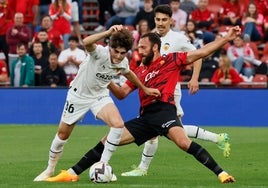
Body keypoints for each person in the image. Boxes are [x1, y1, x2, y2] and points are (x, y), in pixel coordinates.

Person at [45, 26, 241, 184]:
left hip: (164, 111)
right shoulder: (138, 71)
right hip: (145, 117)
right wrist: (102, 76)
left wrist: (226, 38)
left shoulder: (172, 59)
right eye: (138, 47)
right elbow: (121, 94)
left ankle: (221, 173)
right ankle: (71, 173)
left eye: (143, 47)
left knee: (183, 142)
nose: (138, 50)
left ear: (155, 48)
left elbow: (202, 52)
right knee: (108, 141)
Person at [33, 24, 161, 182]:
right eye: (116, 51)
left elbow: (129, 73)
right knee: (62, 134)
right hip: (78, 96)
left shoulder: (122, 61)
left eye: (123, 53)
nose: (119, 56)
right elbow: (86, 42)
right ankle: (49, 169)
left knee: (118, 125)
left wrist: (145, 88)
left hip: (99, 96)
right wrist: (108, 32)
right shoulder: (99, 52)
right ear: (110, 47)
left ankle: (103, 165)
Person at [121, 4, 230, 177]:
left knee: (169, 130)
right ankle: (217, 138)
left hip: (169, 90)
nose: (160, 23)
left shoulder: (178, 38)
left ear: (171, 21)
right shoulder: (150, 38)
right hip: (149, 90)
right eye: (158, 19)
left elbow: (198, 54)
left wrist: (194, 78)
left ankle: (143, 168)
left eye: (164, 20)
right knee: (165, 130)